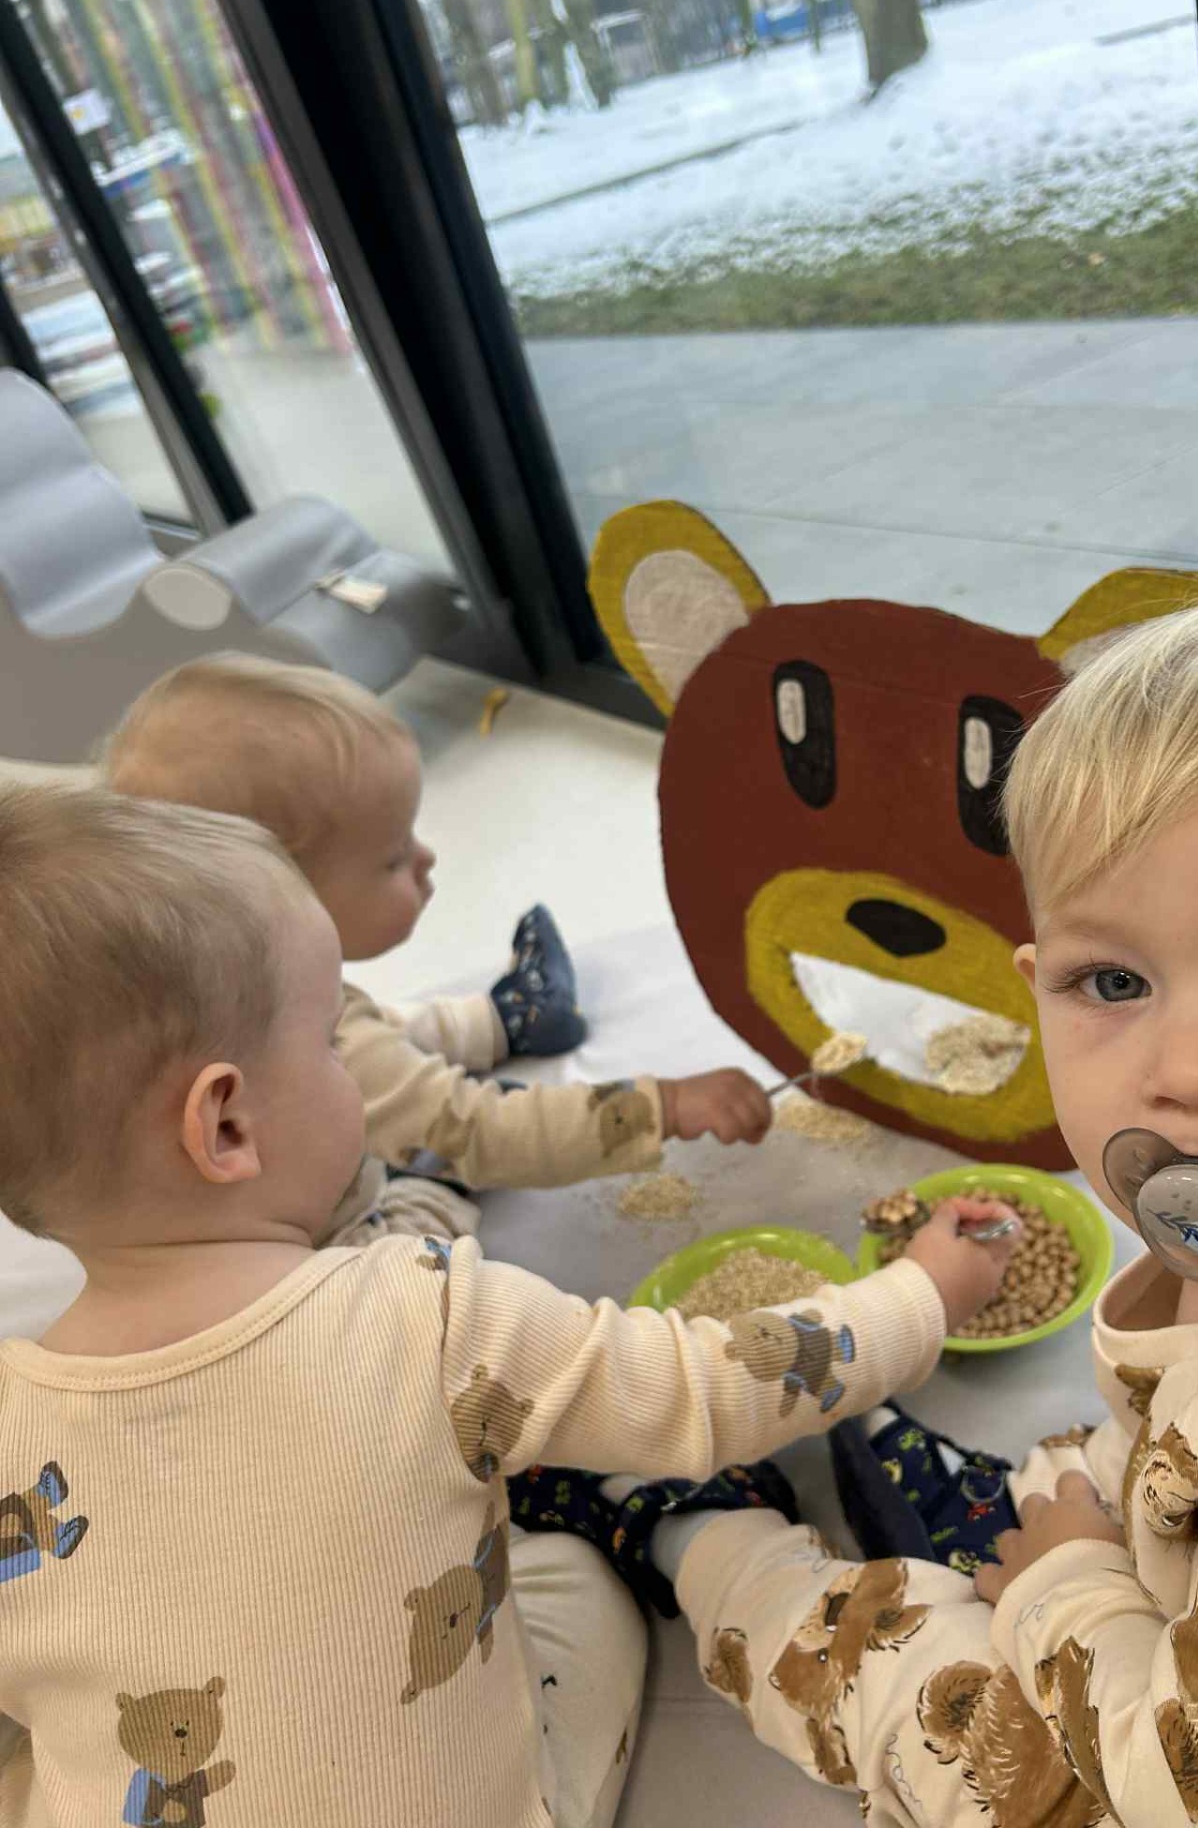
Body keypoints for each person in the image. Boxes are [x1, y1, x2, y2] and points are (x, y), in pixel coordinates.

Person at [0, 781, 1017, 1825]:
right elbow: (714, 1387)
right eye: (332, 1043)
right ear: (226, 1126)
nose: (363, 1071)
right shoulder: (429, 1320)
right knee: (566, 1575)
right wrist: (922, 1292)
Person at [658, 589, 1198, 1826]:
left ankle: (702, 1543)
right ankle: (1053, 1520)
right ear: (1037, 989)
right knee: (1078, 1472)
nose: (1190, 1073)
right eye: (1113, 982)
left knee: (905, 1672)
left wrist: (1069, 1585)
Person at [102, 655, 770, 1247]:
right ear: (284, 901)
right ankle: (431, 1187)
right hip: (334, 1243)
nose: (427, 859)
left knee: (376, 1032)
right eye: (394, 858)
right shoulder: (305, 1042)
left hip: (308, 1107)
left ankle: (506, 1017)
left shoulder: (199, 970)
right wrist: (665, 1106)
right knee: (431, 1179)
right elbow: (479, 1134)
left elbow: (364, 1033)